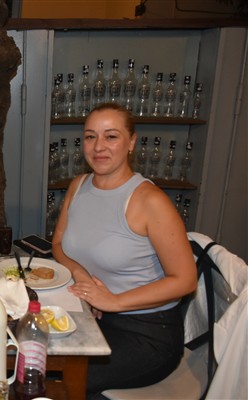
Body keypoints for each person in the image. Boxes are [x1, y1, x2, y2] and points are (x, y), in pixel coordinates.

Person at [51, 102, 197, 397]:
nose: (98, 147)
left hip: (146, 333)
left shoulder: (150, 201)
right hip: (91, 316)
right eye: (90, 136)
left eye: (111, 136)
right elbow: (58, 244)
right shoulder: (79, 186)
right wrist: (81, 275)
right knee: (29, 356)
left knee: (55, 380)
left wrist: (113, 301)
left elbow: (185, 280)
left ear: (131, 142)